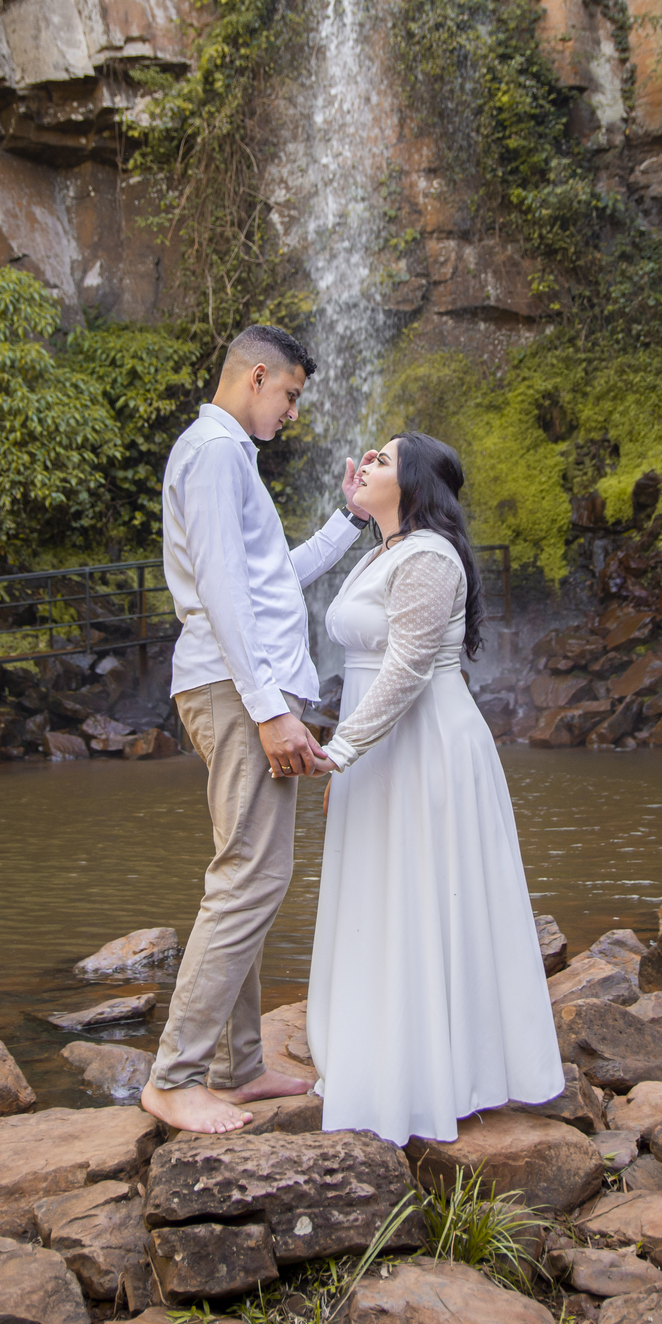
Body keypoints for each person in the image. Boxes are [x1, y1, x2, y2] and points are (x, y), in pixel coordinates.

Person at [141, 325, 373, 1136]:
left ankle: (236, 1067)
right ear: (257, 376)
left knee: (246, 872)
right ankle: (174, 1077)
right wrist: (272, 708)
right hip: (240, 693)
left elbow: (271, 580)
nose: (292, 412)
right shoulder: (213, 452)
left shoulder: (228, 456)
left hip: (242, 688)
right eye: (291, 396)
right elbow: (224, 595)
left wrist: (349, 521)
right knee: (251, 876)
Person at [307, 432, 564, 1145]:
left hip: (423, 746)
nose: (365, 467)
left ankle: (439, 1072)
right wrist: (350, 757)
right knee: (383, 893)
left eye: (382, 461)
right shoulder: (383, 551)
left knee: (424, 892)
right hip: (382, 744)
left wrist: (340, 751)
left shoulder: (427, 555)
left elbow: (409, 666)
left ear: (413, 485)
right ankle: (383, 1052)